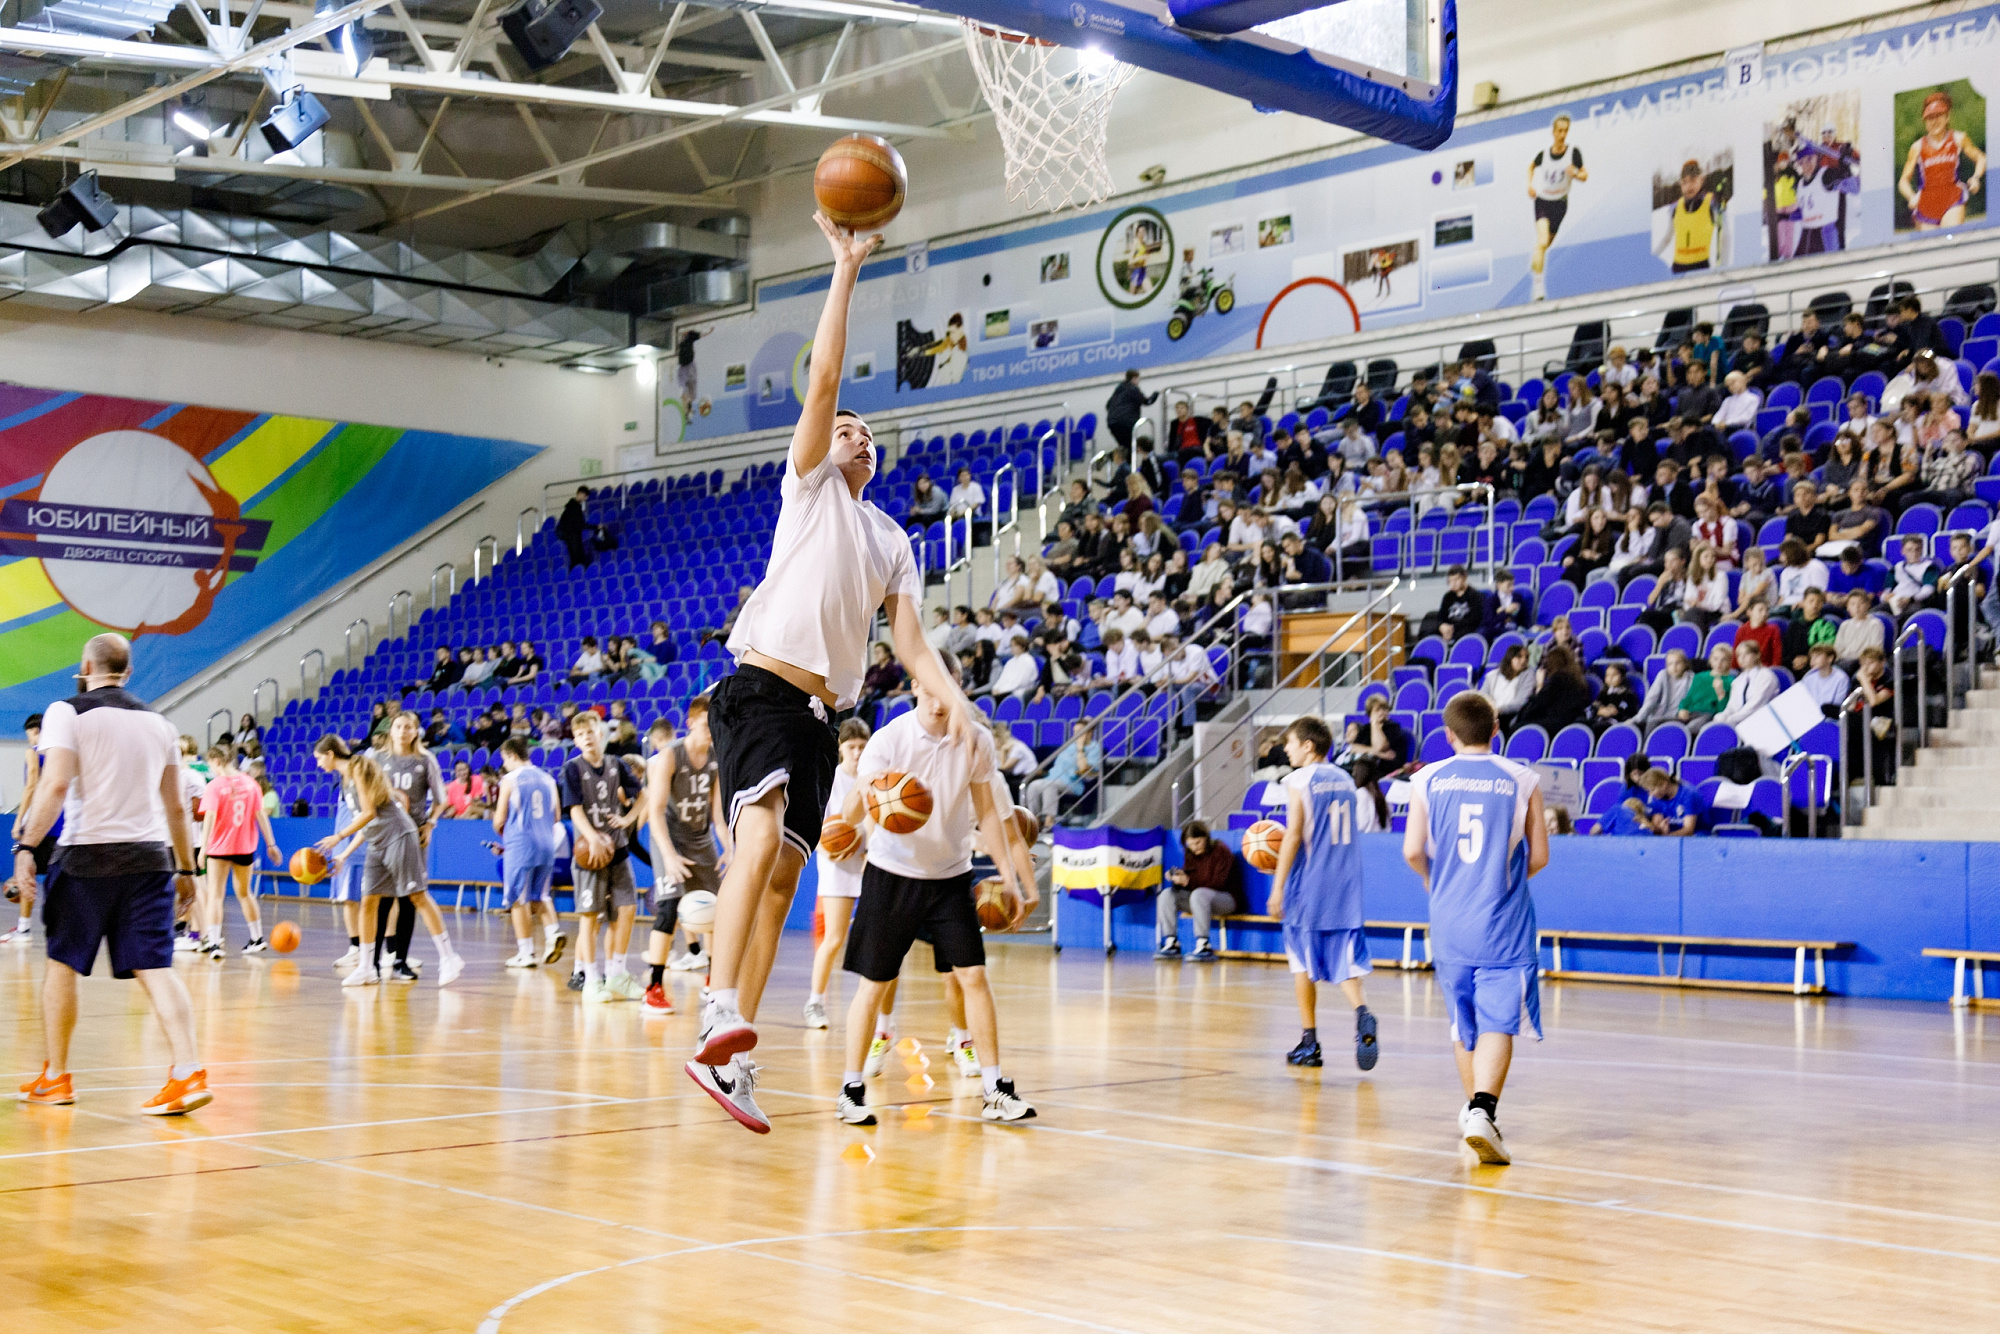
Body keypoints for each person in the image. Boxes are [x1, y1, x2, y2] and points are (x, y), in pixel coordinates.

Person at [694, 212, 975, 1134]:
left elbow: (912, 641)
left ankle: (736, 1050)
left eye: (864, 432)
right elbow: (822, 377)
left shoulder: (892, 539)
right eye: (843, 427)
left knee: (783, 880)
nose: (853, 433)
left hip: (820, 720)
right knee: (761, 839)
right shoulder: (808, 485)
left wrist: (947, 697)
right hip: (761, 688)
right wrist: (846, 268)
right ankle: (715, 1008)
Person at [10, 635, 214, 1113]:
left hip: (85, 859)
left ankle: (56, 1078)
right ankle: (187, 1072)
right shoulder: (161, 724)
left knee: (63, 964)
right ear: (128, 671)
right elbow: (176, 807)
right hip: (149, 859)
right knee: (156, 967)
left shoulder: (66, 711)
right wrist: (187, 869)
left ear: (86, 666)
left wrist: (26, 847)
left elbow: (56, 783)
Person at [833, 659, 1038, 1127]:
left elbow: (988, 814)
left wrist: (1008, 876)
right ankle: (850, 1089)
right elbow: (848, 815)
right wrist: (869, 791)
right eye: (933, 686)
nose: (942, 696)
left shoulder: (977, 741)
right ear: (915, 687)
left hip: (950, 878)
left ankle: (995, 1088)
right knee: (874, 984)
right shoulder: (890, 740)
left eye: (952, 687)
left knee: (974, 978)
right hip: (891, 874)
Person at [1403, 691, 1550, 1165]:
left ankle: (1474, 1113)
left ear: (1448, 735)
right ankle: (1484, 1110)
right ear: (1496, 729)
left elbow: (1411, 851)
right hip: (1501, 918)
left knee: (1462, 1022)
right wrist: (1499, 881)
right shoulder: (1521, 778)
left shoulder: (1426, 778)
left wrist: (1437, 884)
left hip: (1448, 918)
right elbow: (1541, 856)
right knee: (1498, 1018)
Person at [1265, 716, 1378, 1070]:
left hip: (1309, 883)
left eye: (1290, 742)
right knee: (1343, 959)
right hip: (1346, 882)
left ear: (1308, 746)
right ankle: (1361, 1012)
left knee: (1301, 961)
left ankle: (1309, 1042)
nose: (1286, 748)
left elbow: (1295, 834)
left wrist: (1278, 886)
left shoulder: (1299, 779)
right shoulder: (1345, 778)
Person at [313, 735, 463, 989]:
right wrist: (344, 854)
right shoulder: (345, 778)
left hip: (398, 835)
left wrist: (339, 836)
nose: (318, 765)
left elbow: (369, 812)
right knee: (369, 900)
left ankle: (449, 957)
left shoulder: (358, 767)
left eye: (319, 759)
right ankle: (366, 968)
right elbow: (367, 822)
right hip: (377, 840)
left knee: (417, 896)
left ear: (330, 754)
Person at [639, 707, 728, 1013]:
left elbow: (718, 814)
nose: (711, 729)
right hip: (669, 837)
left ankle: (713, 982)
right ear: (690, 724)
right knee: (668, 908)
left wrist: (729, 846)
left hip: (700, 838)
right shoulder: (670, 756)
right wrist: (669, 857)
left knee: (719, 911)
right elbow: (655, 810)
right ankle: (653, 987)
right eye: (706, 723)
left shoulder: (718, 757)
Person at [563, 709, 643, 1004]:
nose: (586, 737)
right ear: (575, 740)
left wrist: (628, 818)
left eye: (590, 732)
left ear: (601, 734)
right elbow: (574, 810)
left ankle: (617, 974)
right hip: (589, 854)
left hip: (617, 849)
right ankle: (592, 980)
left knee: (628, 908)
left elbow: (641, 795)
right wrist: (593, 837)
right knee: (589, 917)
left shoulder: (617, 764)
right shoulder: (572, 769)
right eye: (580, 734)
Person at [806, 719, 872, 1028]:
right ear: (841, 748)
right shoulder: (830, 780)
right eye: (852, 747)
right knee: (833, 938)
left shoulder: (875, 779)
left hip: (870, 863)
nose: (858, 752)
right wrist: (829, 845)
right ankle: (815, 1002)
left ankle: (877, 1014)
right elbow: (818, 827)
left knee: (876, 939)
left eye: (862, 746)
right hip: (836, 863)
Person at [373, 711, 446, 982]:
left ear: (416, 732)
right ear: (391, 731)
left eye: (408, 727)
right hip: (383, 836)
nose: (403, 731)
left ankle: (401, 961)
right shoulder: (378, 759)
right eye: (399, 727)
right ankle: (373, 960)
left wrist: (431, 823)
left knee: (408, 899)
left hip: (413, 836)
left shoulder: (426, 761)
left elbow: (441, 799)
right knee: (381, 898)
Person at [195, 745, 280, 956]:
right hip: (244, 847)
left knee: (215, 895)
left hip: (220, 847)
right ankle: (257, 938)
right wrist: (271, 844)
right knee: (244, 892)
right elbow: (261, 815)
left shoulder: (215, 786)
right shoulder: (251, 784)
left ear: (216, 761)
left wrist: (203, 846)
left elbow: (210, 816)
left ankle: (214, 944)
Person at [492, 738, 566, 970]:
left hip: (521, 844)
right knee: (541, 895)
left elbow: (499, 819)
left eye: (504, 760)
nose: (504, 765)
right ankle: (553, 933)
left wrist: (505, 835)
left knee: (518, 898)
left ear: (511, 755)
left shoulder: (509, 779)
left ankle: (526, 953)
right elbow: (556, 816)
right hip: (547, 843)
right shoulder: (548, 779)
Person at [1899, 89, 1988, 230]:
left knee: (1951, 237)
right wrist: (1911, 197)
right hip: (1926, 206)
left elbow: (1981, 158)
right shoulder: (1917, 147)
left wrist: (1976, 177)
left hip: (1952, 199)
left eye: (1938, 116)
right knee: (1929, 247)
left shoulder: (1958, 138)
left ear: (1947, 117)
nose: (1934, 121)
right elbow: (1903, 181)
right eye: (1930, 117)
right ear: (1925, 121)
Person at [1155, 819, 1242, 961]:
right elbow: (1191, 881)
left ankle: (1204, 944)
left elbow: (1217, 883)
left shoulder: (1221, 851)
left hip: (1226, 899)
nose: (1194, 848)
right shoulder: (1190, 854)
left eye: (1198, 843)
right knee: (1166, 895)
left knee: (1199, 894)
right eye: (1191, 845)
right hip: (1200, 899)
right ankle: (1172, 942)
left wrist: (1188, 881)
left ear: (1206, 838)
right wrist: (1178, 879)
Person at [1526, 113, 1587, 301]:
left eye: (1565, 131)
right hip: (1543, 201)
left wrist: (1575, 173)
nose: (1562, 134)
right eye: (1559, 131)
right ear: (1553, 132)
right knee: (1542, 241)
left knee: (1545, 246)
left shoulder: (1572, 153)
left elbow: (1584, 175)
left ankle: (1536, 263)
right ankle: (1538, 287)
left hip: (1560, 204)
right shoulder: (1544, 154)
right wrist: (1530, 185)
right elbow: (1531, 167)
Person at [1024, 718, 1099, 829]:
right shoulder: (1069, 746)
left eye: (1079, 732)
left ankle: (1049, 820)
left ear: (1089, 733)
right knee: (1033, 785)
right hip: (1052, 778)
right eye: (1074, 731)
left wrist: (1080, 748)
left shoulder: (1094, 747)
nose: (1075, 735)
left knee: (1050, 785)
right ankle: (1035, 821)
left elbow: (1084, 768)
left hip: (1073, 783)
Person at [1513, 645, 1590, 735]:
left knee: (1517, 727)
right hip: (1570, 720)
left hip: (1558, 722)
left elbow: (1539, 703)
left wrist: (1540, 684)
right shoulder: (1578, 679)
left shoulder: (1558, 679)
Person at [1717, 641, 1780, 728]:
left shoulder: (1766, 676)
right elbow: (1732, 706)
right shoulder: (1738, 681)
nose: (1742, 658)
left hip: (1762, 722)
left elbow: (1755, 706)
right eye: (1739, 655)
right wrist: (1723, 716)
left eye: (1746, 654)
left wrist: (1731, 719)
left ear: (1756, 655)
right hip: (1739, 720)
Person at [1678, 643, 1738, 731]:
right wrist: (1682, 708)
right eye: (1716, 659)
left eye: (1724, 660)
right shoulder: (1699, 677)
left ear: (1729, 662)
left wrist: (1721, 693)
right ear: (1710, 659)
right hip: (1691, 713)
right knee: (1656, 722)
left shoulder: (1731, 681)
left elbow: (1723, 710)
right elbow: (1688, 698)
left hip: (1708, 714)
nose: (1719, 663)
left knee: (1689, 728)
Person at [1633, 648, 1695, 730]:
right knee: (1647, 722)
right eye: (1670, 664)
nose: (1674, 667)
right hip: (1660, 715)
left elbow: (1692, 699)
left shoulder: (1691, 677)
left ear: (1684, 664)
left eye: (1678, 663)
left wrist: (1686, 710)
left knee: (1653, 722)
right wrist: (1637, 718)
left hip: (1679, 717)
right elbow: (1651, 699)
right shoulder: (1662, 675)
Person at [1638, 767, 1709, 836]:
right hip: (1672, 836)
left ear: (1663, 784)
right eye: (1648, 791)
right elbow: (1657, 825)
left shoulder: (1689, 794)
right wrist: (1659, 829)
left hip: (1698, 835)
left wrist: (1666, 837)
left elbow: (1689, 830)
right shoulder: (1657, 798)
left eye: (1652, 790)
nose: (1650, 794)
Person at [1480, 645, 1535, 730]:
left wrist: (1499, 710)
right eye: (1519, 657)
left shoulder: (1528, 675)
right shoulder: (1493, 675)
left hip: (1508, 717)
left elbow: (1520, 702)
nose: (1524, 660)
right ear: (1510, 658)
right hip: (1489, 713)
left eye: (1526, 657)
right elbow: (1483, 697)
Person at [1105, 369, 1158, 453]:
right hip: (1126, 422)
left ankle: (1123, 461)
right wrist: (1155, 395)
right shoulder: (1133, 389)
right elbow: (1147, 401)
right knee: (1130, 447)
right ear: (1134, 378)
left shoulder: (1118, 390)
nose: (1138, 381)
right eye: (1138, 379)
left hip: (1112, 422)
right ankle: (1128, 463)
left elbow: (1107, 406)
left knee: (1124, 446)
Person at [556, 486, 591, 569]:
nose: (586, 499)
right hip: (574, 538)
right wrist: (596, 527)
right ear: (581, 494)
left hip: (569, 538)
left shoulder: (568, 507)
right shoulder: (575, 508)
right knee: (578, 561)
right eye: (585, 496)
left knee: (575, 561)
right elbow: (580, 524)